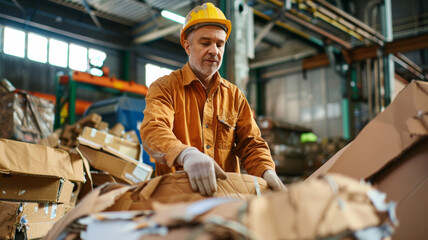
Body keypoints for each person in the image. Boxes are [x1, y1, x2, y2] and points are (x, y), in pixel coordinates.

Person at [140, 2, 286, 196]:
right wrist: (186, 154)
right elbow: (153, 130)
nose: (214, 51)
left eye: (220, 44)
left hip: (224, 199)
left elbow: (251, 144)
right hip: (176, 197)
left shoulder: (235, 96)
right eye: (205, 43)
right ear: (187, 45)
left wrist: (267, 171)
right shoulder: (165, 87)